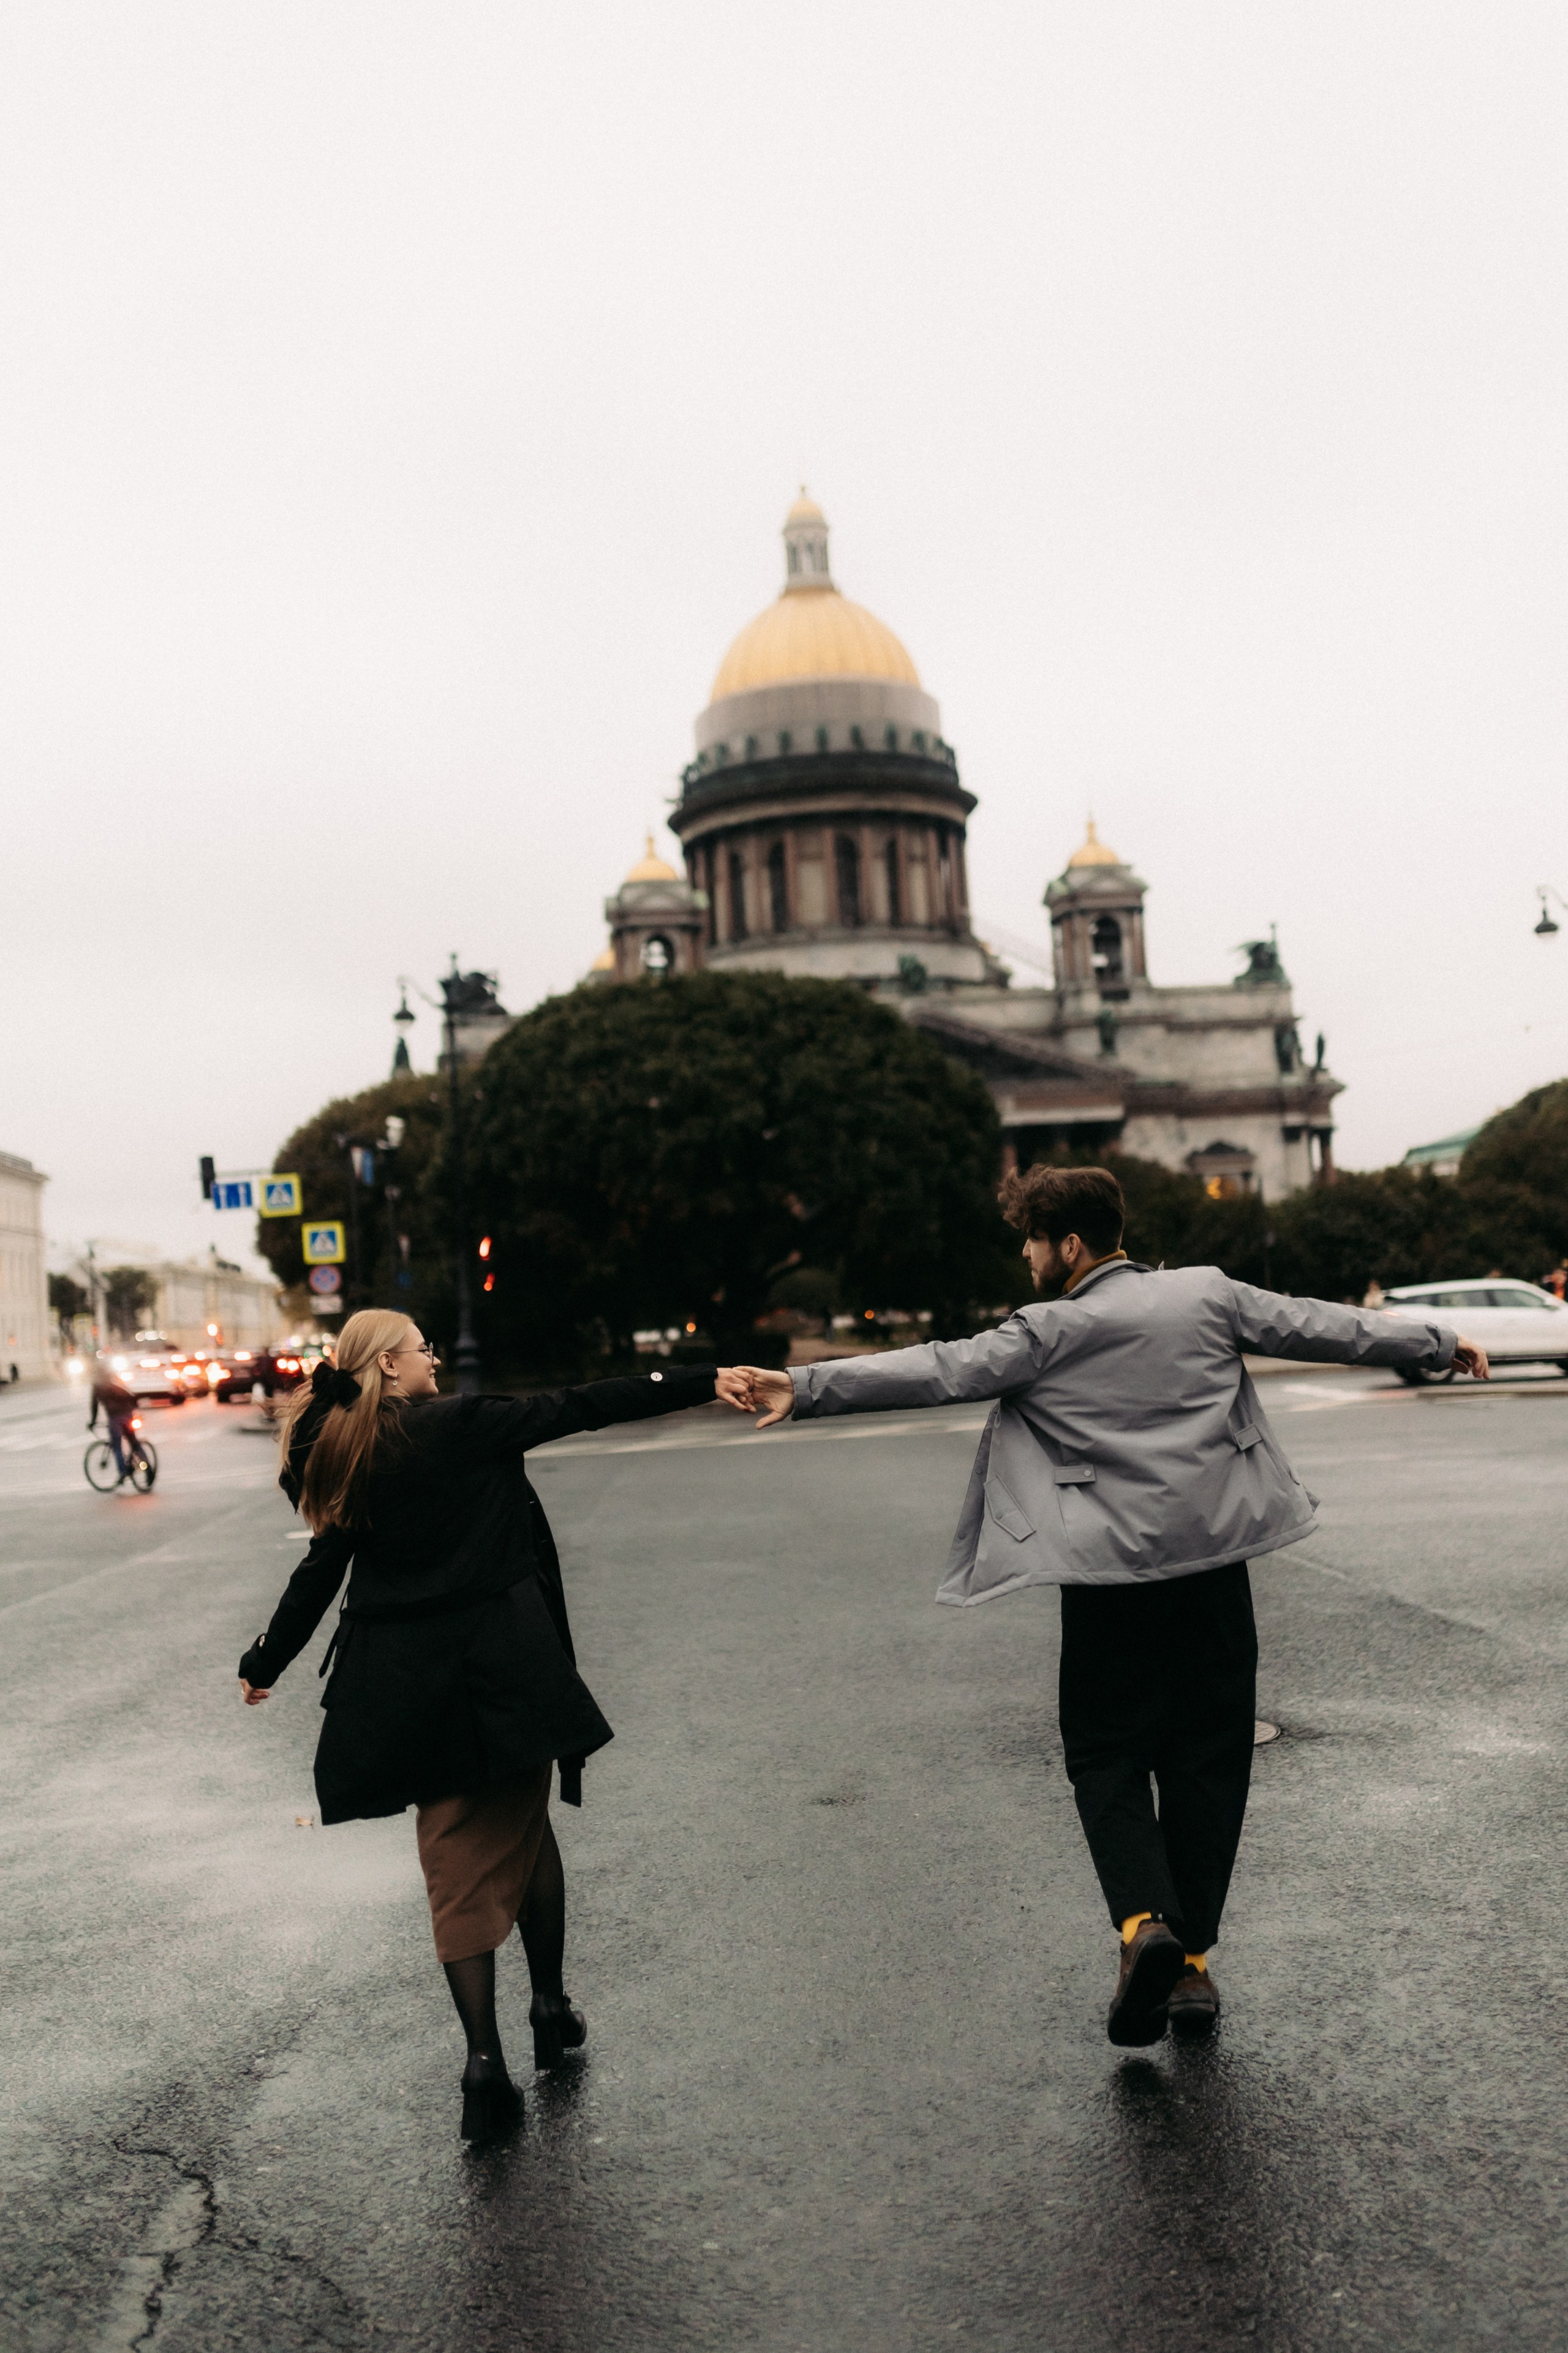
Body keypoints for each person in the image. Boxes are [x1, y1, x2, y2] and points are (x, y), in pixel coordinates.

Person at [736, 1165, 1490, 2049]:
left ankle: (1144, 1927)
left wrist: (806, 1388)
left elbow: (942, 1370)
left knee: (1106, 1754)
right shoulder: (1206, 1295)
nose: (1024, 1256)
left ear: (1070, 1245)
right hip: (1215, 1570)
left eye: (1030, 1240)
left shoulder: (1048, 1328)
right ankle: (1194, 1968)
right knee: (1211, 1761)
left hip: (1108, 1586)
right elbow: (1322, 1324)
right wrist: (1435, 1341)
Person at [238, 1308, 751, 2142]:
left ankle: (497, 2047)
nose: (434, 1356)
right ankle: (530, 2019)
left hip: (404, 1690)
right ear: (393, 1365)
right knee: (510, 1829)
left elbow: (321, 1566)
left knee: (461, 1854)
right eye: (422, 1346)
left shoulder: (349, 1447)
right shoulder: (465, 1425)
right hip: (503, 1673)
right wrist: (705, 1377)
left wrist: (265, 1659)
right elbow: (584, 1403)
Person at [88, 1363, 141, 1484]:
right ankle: (148, 1468)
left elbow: (94, 1406)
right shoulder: (114, 1384)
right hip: (128, 1415)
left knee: (117, 1447)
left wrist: (93, 1422)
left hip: (115, 1418)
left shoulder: (97, 1388)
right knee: (134, 1443)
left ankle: (123, 1473)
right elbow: (130, 1396)